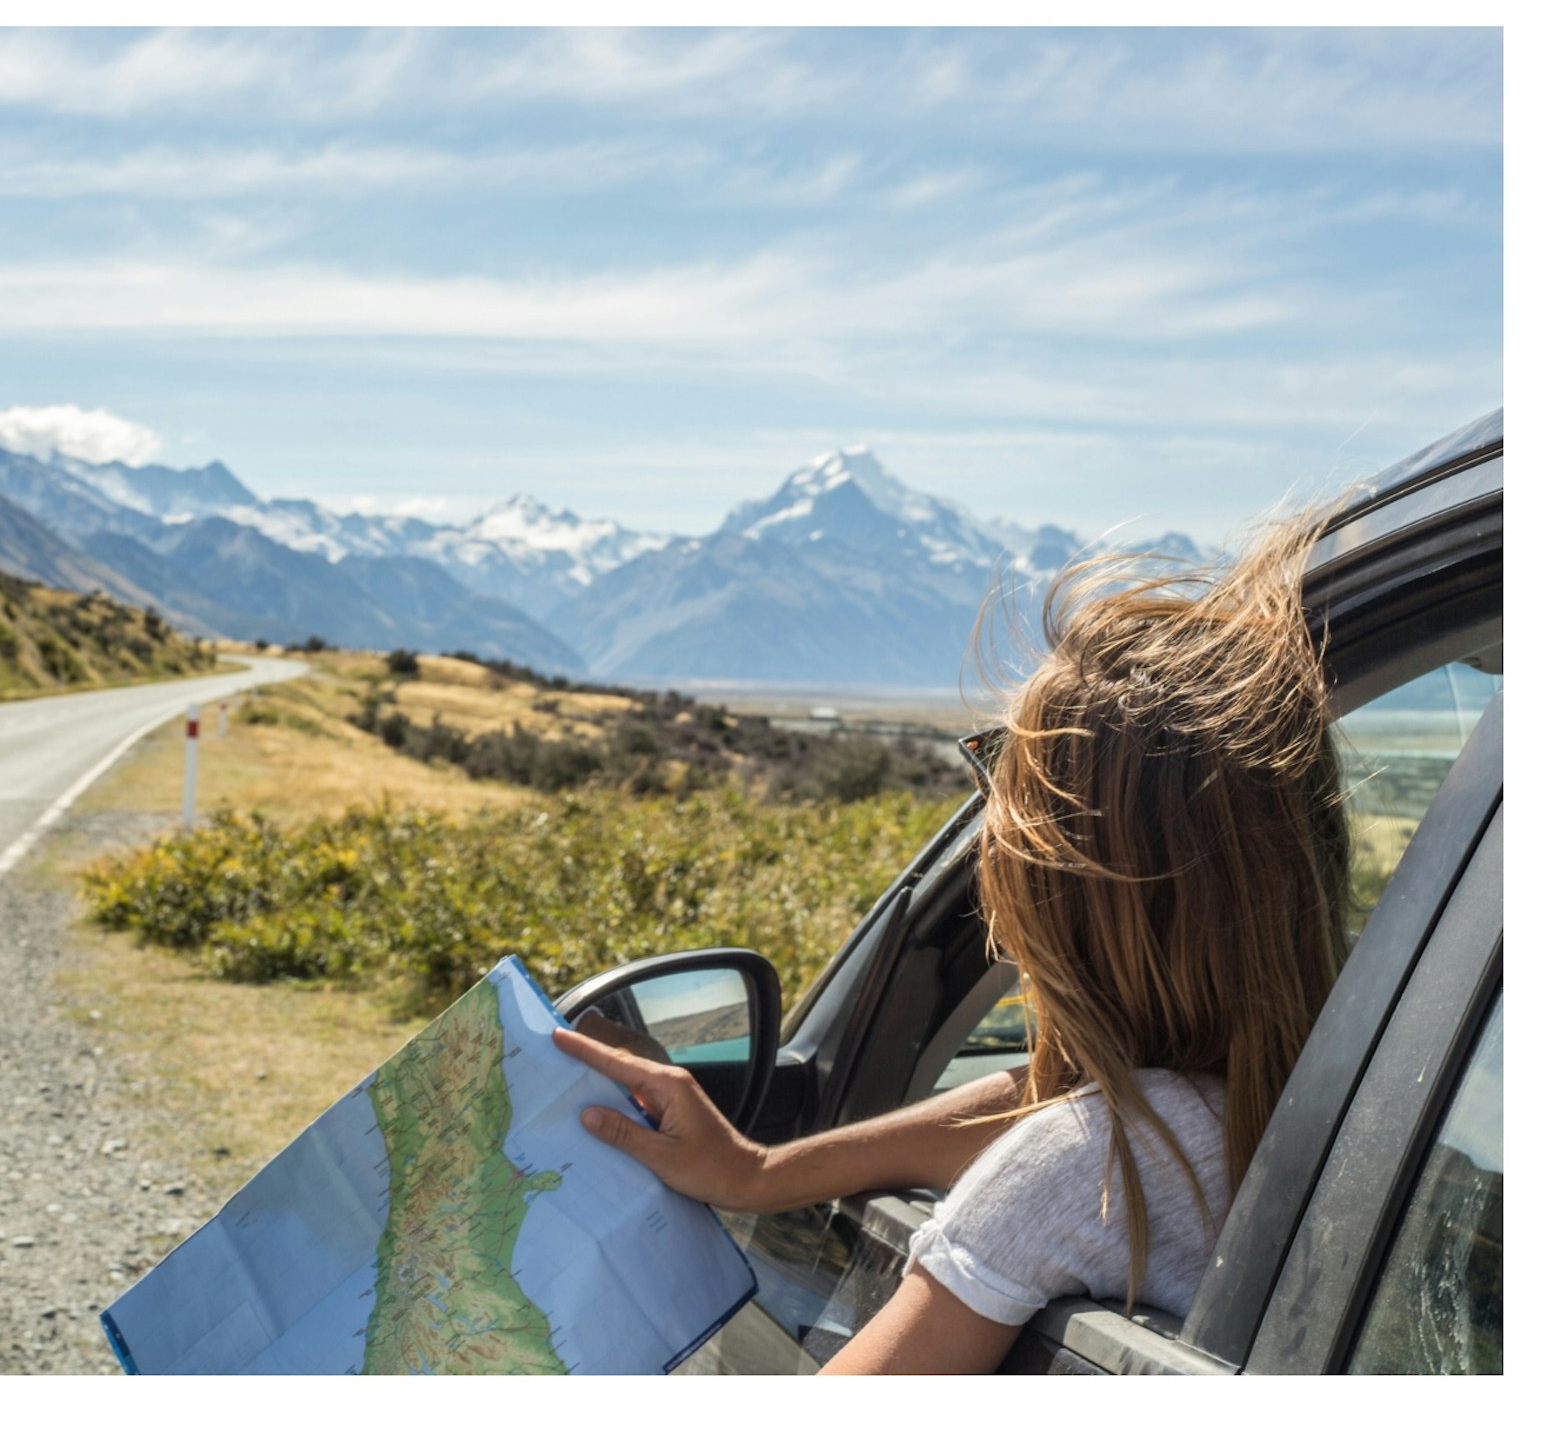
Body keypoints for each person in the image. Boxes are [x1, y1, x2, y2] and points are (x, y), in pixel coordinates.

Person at [551, 513, 1349, 1375]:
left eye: (1001, 795)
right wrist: (756, 1173)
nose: (986, 843)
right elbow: (1039, 1105)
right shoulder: (1315, 1106)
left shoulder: (1085, 1170)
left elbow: (1065, 1140)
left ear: (1059, 887)